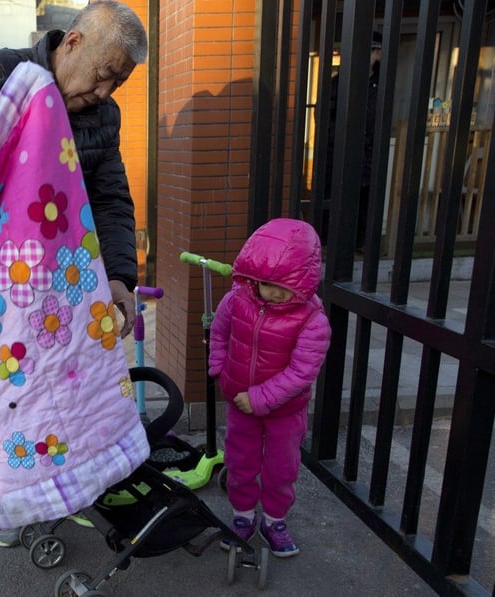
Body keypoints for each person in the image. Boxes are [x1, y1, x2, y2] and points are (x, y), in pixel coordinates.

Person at [0, 0, 147, 547]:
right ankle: (0, 498)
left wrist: (121, 276)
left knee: (61, 388)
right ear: (72, 43)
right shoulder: (2, 70)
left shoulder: (102, 116)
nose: (103, 94)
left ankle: (51, 486)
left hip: (55, 287)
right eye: (102, 76)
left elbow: (111, 197)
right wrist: (27, 97)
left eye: (116, 85)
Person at [208, 218, 331, 558]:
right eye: (267, 283)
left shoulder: (312, 320)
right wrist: (219, 367)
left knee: (280, 468)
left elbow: (301, 372)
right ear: (254, 277)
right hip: (239, 403)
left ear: (304, 282)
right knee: (240, 460)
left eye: (285, 285)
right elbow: (219, 333)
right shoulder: (237, 300)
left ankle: (275, 521)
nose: (275, 292)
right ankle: (243, 516)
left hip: (283, 411)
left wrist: (259, 398)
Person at [322, 30, 383, 249]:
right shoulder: (337, 84)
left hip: (369, 153)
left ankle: (360, 244)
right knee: (334, 196)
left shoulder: (381, 85)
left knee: (365, 199)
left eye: (368, 51)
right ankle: (329, 243)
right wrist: (334, 142)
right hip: (337, 151)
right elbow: (323, 117)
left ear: (377, 53)